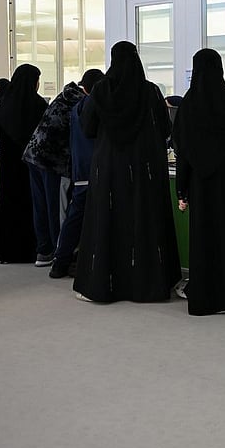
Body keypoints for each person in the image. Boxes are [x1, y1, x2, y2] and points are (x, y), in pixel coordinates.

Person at [73, 41, 180, 304]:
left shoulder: (101, 90)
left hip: (109, 165)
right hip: (145, 167)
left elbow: (87, 127)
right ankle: (149, 285)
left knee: (107, 220)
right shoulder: (151, 91)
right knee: (145, 219)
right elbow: (165, 128)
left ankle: (104, 284)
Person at [174, 49, 225, 315]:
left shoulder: (189, 105)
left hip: (202, 183)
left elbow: (182, 149)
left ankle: (207, 297)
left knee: (205, 239)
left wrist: (182, 189)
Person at [22, 77, 86, 268]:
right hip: (54, 161)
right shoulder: (79, 104)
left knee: (40, 206)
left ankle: (44, 251)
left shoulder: (64, 97)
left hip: (34, 155)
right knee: (57, 209)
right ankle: (61, 254)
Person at [0, 64, 46, 264]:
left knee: (8, 204)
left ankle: (7, 251)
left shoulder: (4, 104)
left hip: (8, 165)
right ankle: (32, 250)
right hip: (31, 165)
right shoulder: (39, 105)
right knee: (32, 205)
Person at [49, 68, 104, 279]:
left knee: (74, 219)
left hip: (79, 170)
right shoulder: (100, 106)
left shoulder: (75, 108)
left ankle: (60, 262)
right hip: (97, 169)